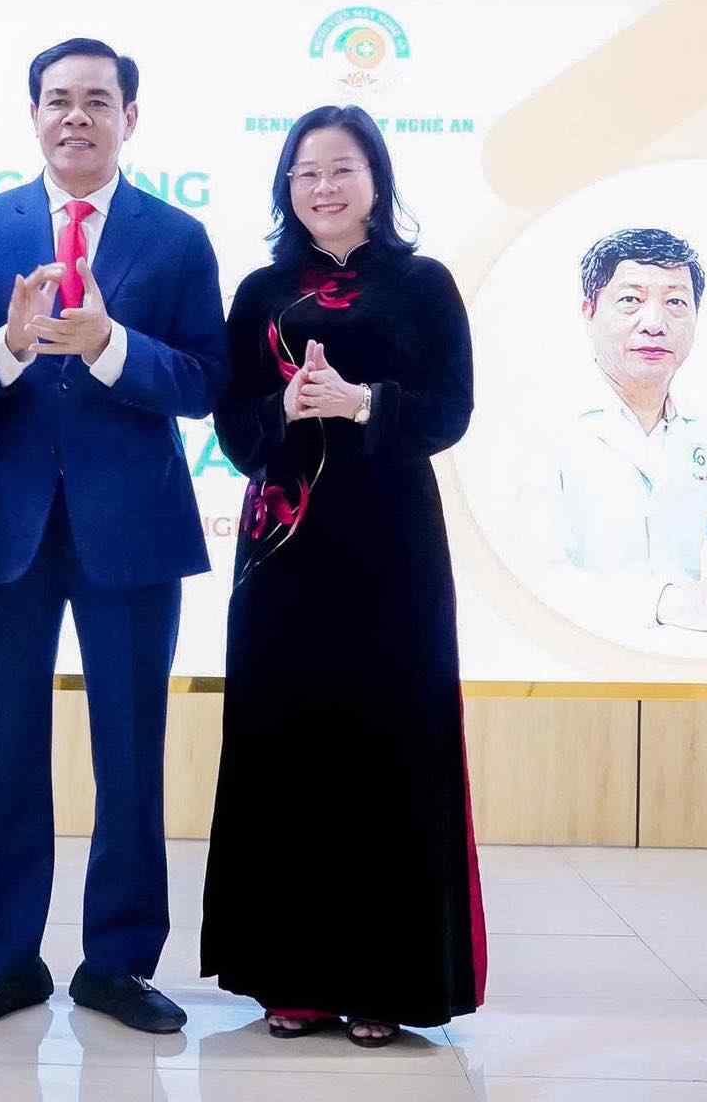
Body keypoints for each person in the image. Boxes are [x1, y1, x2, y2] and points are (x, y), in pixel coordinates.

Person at [0, 37, 227, 1035]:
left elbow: (202, 384)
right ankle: (3, 961)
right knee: (5, 745)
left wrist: (110, 347)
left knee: (128, 749)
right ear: (33, 114)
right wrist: (8, 344)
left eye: (98, 99)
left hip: (129, 534)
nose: (76, 116)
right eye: (58, 99)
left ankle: (119, 961)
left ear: (129, 116)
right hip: (7, 530)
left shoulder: (174, 238)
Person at [202, 103, 484, 1047]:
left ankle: (388, 981)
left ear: (378, 179)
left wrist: (366, 403)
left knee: (388, 740)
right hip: (284, 548)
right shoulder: (258, 290)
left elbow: (453, 410)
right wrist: (284, 406)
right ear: (286, 187)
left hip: (391, 543)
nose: (322, 187)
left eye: (341, 169)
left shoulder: (423, 284)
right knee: (288, 744)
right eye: (304, 172)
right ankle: (290, 974)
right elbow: (233, 427)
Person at [547, 227, 707, 637]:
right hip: (575, 669)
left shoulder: (702, 437)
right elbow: (525, 579)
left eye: (676, 302)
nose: (654, 323)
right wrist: (668, 602)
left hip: (683, 667)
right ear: (588, 310)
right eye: (630, 300)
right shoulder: (543, 427)